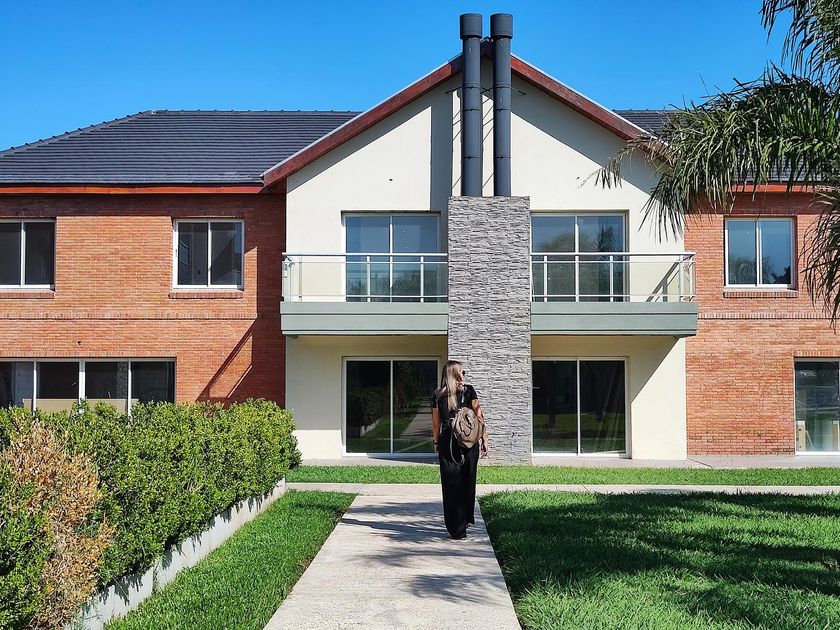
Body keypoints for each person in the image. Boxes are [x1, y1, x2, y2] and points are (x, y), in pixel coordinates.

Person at [431, 360, 489, 539]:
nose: (464, 375)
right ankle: (465, 519)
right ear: (456, 374)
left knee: (450, 484)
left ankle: (456, 528)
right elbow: (479, 417)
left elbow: (436, 423)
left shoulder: (437, 395)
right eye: (463, 372)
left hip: (448, 442)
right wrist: (484, 438)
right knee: (468, 480)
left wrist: (436, 442)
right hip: (469, 442)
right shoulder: (469, 391)